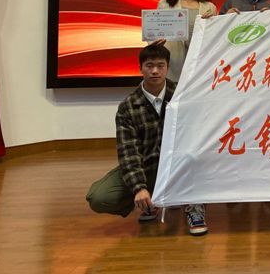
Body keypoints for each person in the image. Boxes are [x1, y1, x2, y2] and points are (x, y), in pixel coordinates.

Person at [85, 44, 208, 236]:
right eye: (149, 66)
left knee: (195, 155)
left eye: (160, 66)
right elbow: (128, 153)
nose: (155, 71)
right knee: (99, 197)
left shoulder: (182, 96)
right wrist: (139, 188)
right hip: (148, 167)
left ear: (167, 68)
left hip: (181, 166)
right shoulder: (128, 107)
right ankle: (150, 201)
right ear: (140, 68)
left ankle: (193, 206)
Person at [156, 0, 217, 82]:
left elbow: (216, 39)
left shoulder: (210, 7)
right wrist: (156, 42)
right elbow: (155, 34)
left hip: (201, 66)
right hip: (173, 65)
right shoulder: (165, 5)